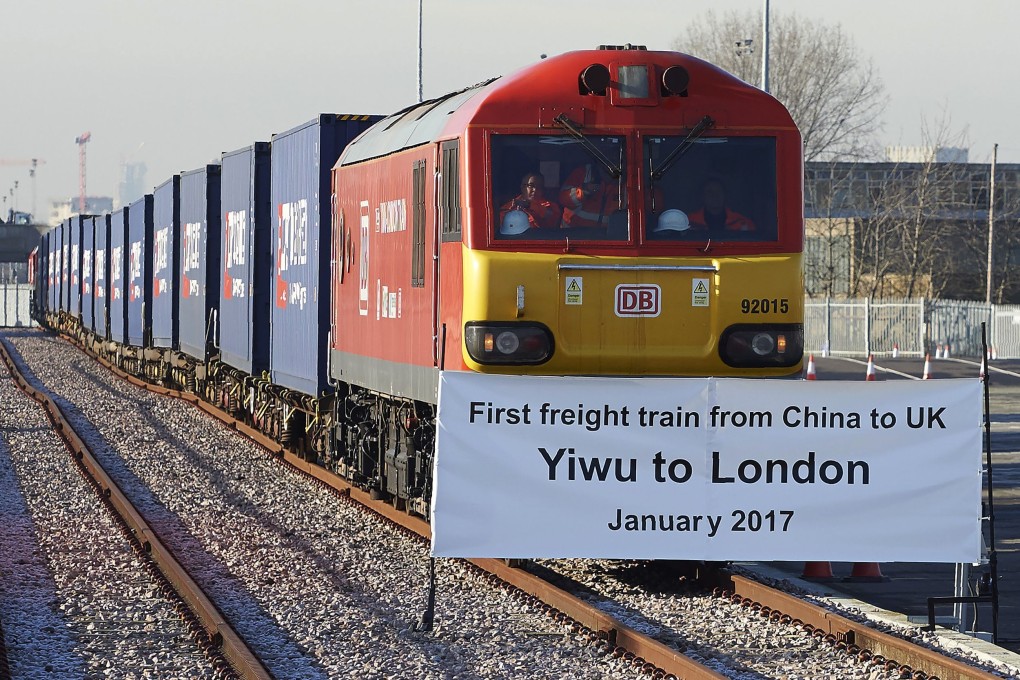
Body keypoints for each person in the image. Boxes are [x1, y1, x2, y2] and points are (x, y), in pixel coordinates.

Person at [559, 163, 621, 229]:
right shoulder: (583, 173)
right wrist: (583, 192)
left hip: (610, 237)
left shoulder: (627, 181)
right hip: (573, 234)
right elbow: (563, 199)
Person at [687, 177, 755, 232]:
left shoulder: (742, 222)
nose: (715, 195)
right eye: (709, 192)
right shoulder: (689, 222)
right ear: (702, 197)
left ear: (725, 195)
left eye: (719, 191)